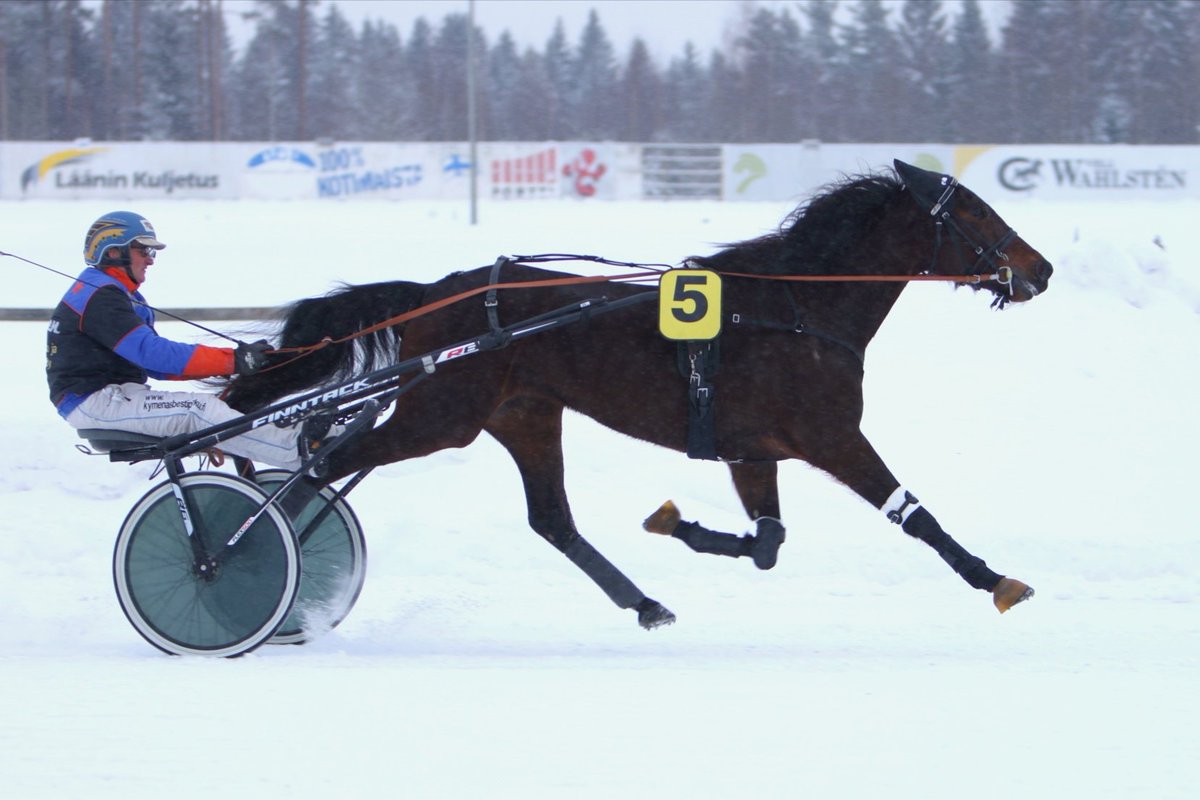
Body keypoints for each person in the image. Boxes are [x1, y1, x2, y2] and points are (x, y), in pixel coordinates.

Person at [46, 210, 326, 471]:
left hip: (114, 396)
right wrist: (234, 360)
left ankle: (305, 439)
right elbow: (152, 355)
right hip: (94, 401)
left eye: (151, 251)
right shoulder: (101, 296)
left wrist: (234, 364)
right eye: (143, 249)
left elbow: (159, 368)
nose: (150, 259)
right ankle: (297, 453)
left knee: (217, 408)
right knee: (200, 410)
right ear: (114, 251)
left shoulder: (117, 294)